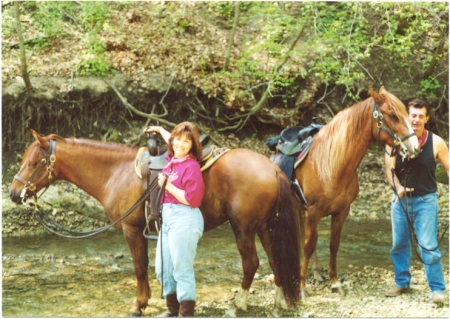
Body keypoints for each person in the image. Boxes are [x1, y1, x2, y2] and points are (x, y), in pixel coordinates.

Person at [384, 99, 449, 304]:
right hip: (401, 201)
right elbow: (389, 170)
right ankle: (402, 283)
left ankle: (437, 289)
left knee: (428, 245)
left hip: (426, 201)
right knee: (399, 244)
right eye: (413, 115)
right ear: (407, 116)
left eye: (421, 116)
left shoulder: (436, 142)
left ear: (427, 118)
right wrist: (398, 187)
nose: (416, 119)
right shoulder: (394, 141)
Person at [143, 122, 205, 317]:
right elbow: (173, 140)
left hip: (185, 217)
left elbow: (193, 199)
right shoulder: (173, 159)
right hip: (168, 218)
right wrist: (161, 130)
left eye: (186, 141)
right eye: (178, 140)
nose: (180, 144)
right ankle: (172, 309)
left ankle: (185, 314)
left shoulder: (191, 166)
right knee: (163, 268)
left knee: (181, 269)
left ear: (193, 145)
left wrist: (168, 186)